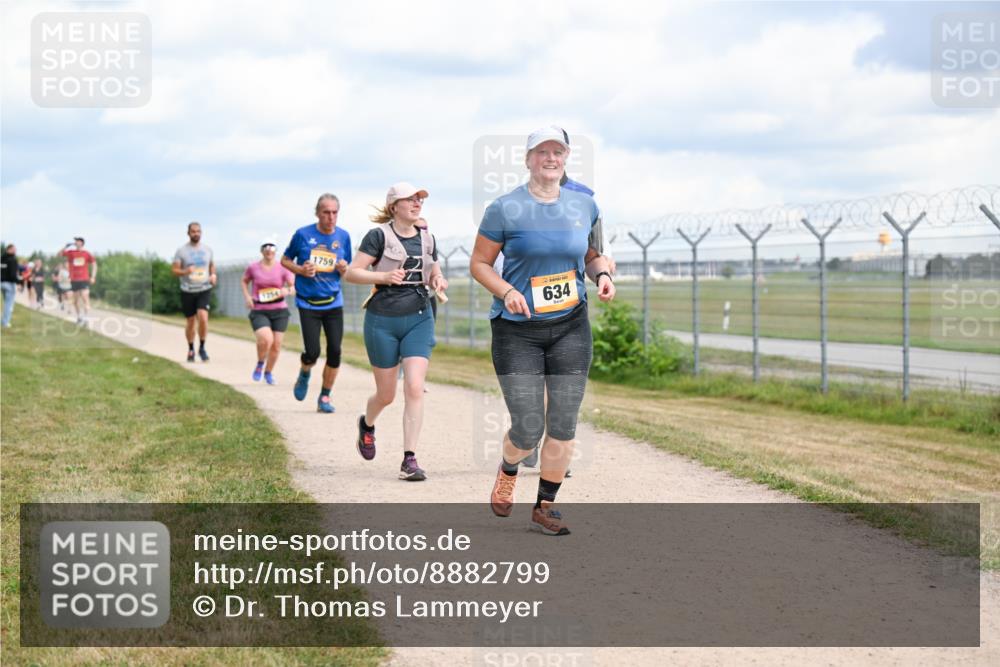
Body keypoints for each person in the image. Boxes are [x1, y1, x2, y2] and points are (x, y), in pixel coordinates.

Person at [470, 126, 616, 536]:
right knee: (529, 426)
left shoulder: (584, 205)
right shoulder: (504, 208)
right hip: (518, 331)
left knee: (564, 422)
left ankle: (545, 505)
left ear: (566, 157)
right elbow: (479, 264)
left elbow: (591, 254)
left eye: (558, 151)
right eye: (542, 152)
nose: (550, 158)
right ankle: (509, 467)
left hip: (571, 326)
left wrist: (601, 274)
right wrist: (507, 290)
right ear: (528, 158)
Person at [345, 182, 447, 480]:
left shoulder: (427, 238)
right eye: (410, 199)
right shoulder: (379, 236)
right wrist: (384, 276)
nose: (417, 204)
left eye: (420, 200)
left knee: (414, 387)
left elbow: (434, 270)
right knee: (386, 395)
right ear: (394, 206)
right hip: (382, 320)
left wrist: (439, 281)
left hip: (419, 316)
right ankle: (367, 424)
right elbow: (352, 272)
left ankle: (409, 459)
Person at [281, 194, 351, 413]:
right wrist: (301, 270)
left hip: (333, 302)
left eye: (334, 212)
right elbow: (284, 260)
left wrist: (343, 268)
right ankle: (304, 372)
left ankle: (325, 397)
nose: (331, 217)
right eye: (326, 212)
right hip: (308, 303)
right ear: (317, 213)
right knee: (312, 351)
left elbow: (347, 265)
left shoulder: (344, 236)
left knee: (335, 351)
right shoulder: (302, 235)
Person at [242, 238, 296, 385]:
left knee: (276, 345)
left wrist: (288, 290)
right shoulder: (253, 268)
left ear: (275, 251)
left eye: (272, 249)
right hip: (259, 309)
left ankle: (269, 372)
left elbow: (292, 286)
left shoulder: (282, 268)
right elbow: (244, 281)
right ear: (262, 251)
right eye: (265, 248)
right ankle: (260, 363)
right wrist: (247, 297)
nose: (269, 251)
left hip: (279, 310)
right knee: (266, 339)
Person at [172, 222, 216, 362]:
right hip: (188, 290)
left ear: (201, 233)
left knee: (203, 317)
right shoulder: (181, 251)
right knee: (191, 321)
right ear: (188, 233)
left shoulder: (208, 249)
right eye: (193, 231)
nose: (196, 234)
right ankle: (191, 349)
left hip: (204, 288)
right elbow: (174, 270)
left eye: (198, 231)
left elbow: (211, 265)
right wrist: (185, 271)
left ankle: (202, 347)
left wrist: (213, 275)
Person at [60, 237, 97, 325]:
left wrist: (93, 276)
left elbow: (94, 264)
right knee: (76, 301)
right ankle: (79, 317)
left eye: (77, 241)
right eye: (75, 241)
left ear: (82, 243)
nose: (75, 242)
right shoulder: (71, 253)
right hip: (74, 279)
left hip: (84, 279)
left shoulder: (86, 253)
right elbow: (59, 254)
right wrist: (65, 246)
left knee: (85, 296)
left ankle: (86, 317)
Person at [1, 243, 18, 327]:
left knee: (6, 303)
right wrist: (19, 281)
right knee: (9, 304)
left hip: (2, 283)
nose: (15, 251)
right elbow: (12, 275)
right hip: (9, 284)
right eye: (14, 249)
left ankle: (3, 320)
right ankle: (5, 322)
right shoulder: (12, 259)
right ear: (9, 249)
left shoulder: (2, 258)